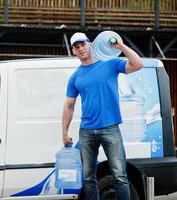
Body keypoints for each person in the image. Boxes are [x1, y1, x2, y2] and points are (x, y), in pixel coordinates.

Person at [61, 32, 143, 200]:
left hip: (110, 128)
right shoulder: (75, 77)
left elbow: (138, 64)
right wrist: (64, 132)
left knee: (120, 175)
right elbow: (69, 106)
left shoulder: (111, 64)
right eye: (77, 47)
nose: (81, 48)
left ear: (90, 44)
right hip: (87, 131)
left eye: (83, 44)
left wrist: (121, 46)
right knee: (88, 178)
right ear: (73, 51)